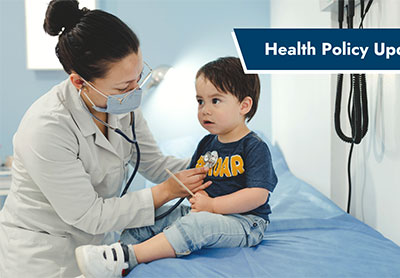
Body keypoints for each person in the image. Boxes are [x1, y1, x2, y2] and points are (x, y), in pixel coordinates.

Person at [0, 1, 211, 277]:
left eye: (138, 77)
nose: (135, 92)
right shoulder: (46, 127)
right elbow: (89, 214)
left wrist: (214, 163)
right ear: (79, 82)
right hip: (44, 257)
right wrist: (166, 192)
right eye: (124, 86)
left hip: (98, 246)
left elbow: (156, 165)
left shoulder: (120, 104)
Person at [75, 57, 278, 277]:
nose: (205, 110)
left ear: (244, 105)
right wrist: (193, 191)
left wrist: (212, 205)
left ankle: (127, 258)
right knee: (153, 216)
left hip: (245, 221)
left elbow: (258, 195)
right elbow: (195, 179)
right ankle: (111, 260)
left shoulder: (254, 147)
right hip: (204, 211)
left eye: (215, 101)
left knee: (199, 225)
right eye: (200, 101)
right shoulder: (206, 144)